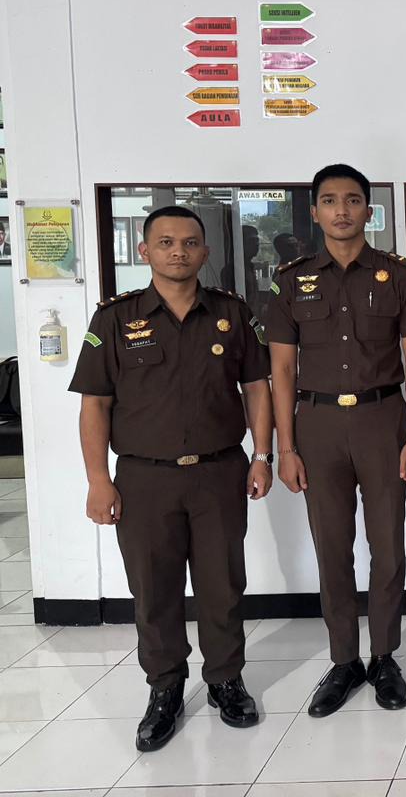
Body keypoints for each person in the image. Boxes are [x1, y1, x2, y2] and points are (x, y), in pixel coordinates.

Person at [71, 205, 274, 752]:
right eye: (165, 242)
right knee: (153, 588)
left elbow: (257, 388)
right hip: (144, 479)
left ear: (204, 252)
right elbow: (95, 405)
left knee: (222, 585)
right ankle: (164, 688)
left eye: (189, 242)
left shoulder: (232, 313)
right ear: (145, 251)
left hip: (219, 473)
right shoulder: (114, 319)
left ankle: (226, 680)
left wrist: (262, 456)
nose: (178, 251)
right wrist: (97, 480)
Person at [267, 164, 406, 717]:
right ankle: (344, 661)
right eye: (331, 201)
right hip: (316, 425)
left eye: (353, 200)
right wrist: (286, 447)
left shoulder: (400, 275)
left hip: (383, 420)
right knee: (331, 547)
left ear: (369, 210)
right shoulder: (291, 281)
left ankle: (384, 656)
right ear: (315, 212)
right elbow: (281, 370)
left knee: (387, 546)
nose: (342, 210)